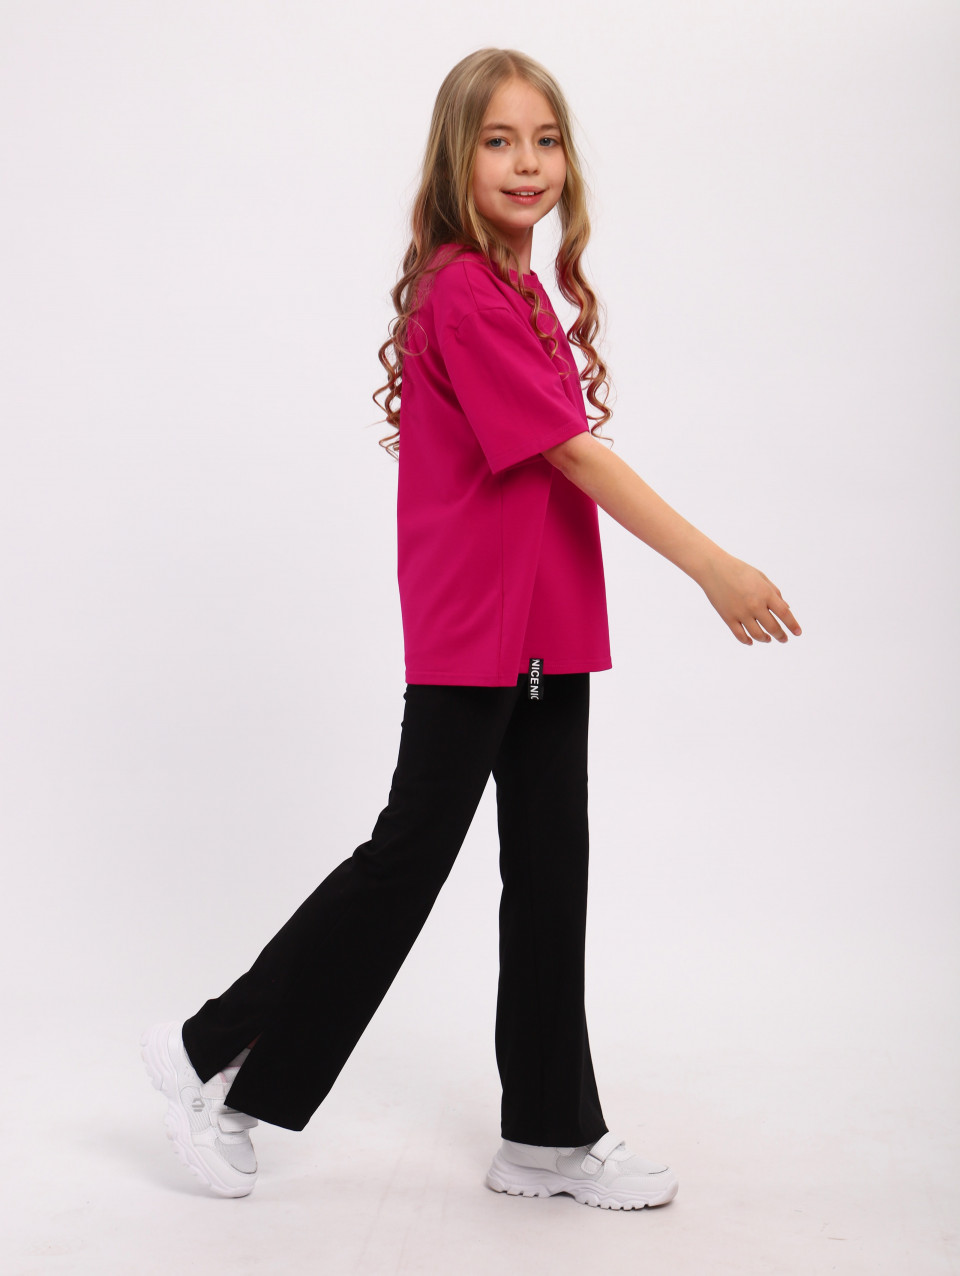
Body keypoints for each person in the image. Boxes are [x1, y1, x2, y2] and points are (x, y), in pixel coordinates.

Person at [141, 46, 801, 1212]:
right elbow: (572, 455)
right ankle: (210, 1055)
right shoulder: (462, 290)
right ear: (458, 157)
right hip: (477, 631)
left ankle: (547, 1133)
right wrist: (714, 566)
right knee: (406, 863)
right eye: (500, 140)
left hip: (548, 627)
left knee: (550, 872)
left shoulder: (522, 289)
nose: (527, 162)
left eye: (545, 140)